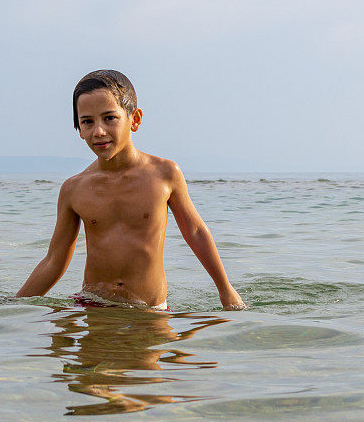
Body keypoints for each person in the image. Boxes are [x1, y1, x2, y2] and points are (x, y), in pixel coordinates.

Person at [16, 70, 245, 311]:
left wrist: (225, 289)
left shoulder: (164, 174)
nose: (99, 131)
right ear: (79, 129)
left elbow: (196, 232)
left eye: (109, 118)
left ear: (134, 119)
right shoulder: (74, 189)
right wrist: (12, 307)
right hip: (94, 307)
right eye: (87, 121)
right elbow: (54, 260)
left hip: (150, 310)